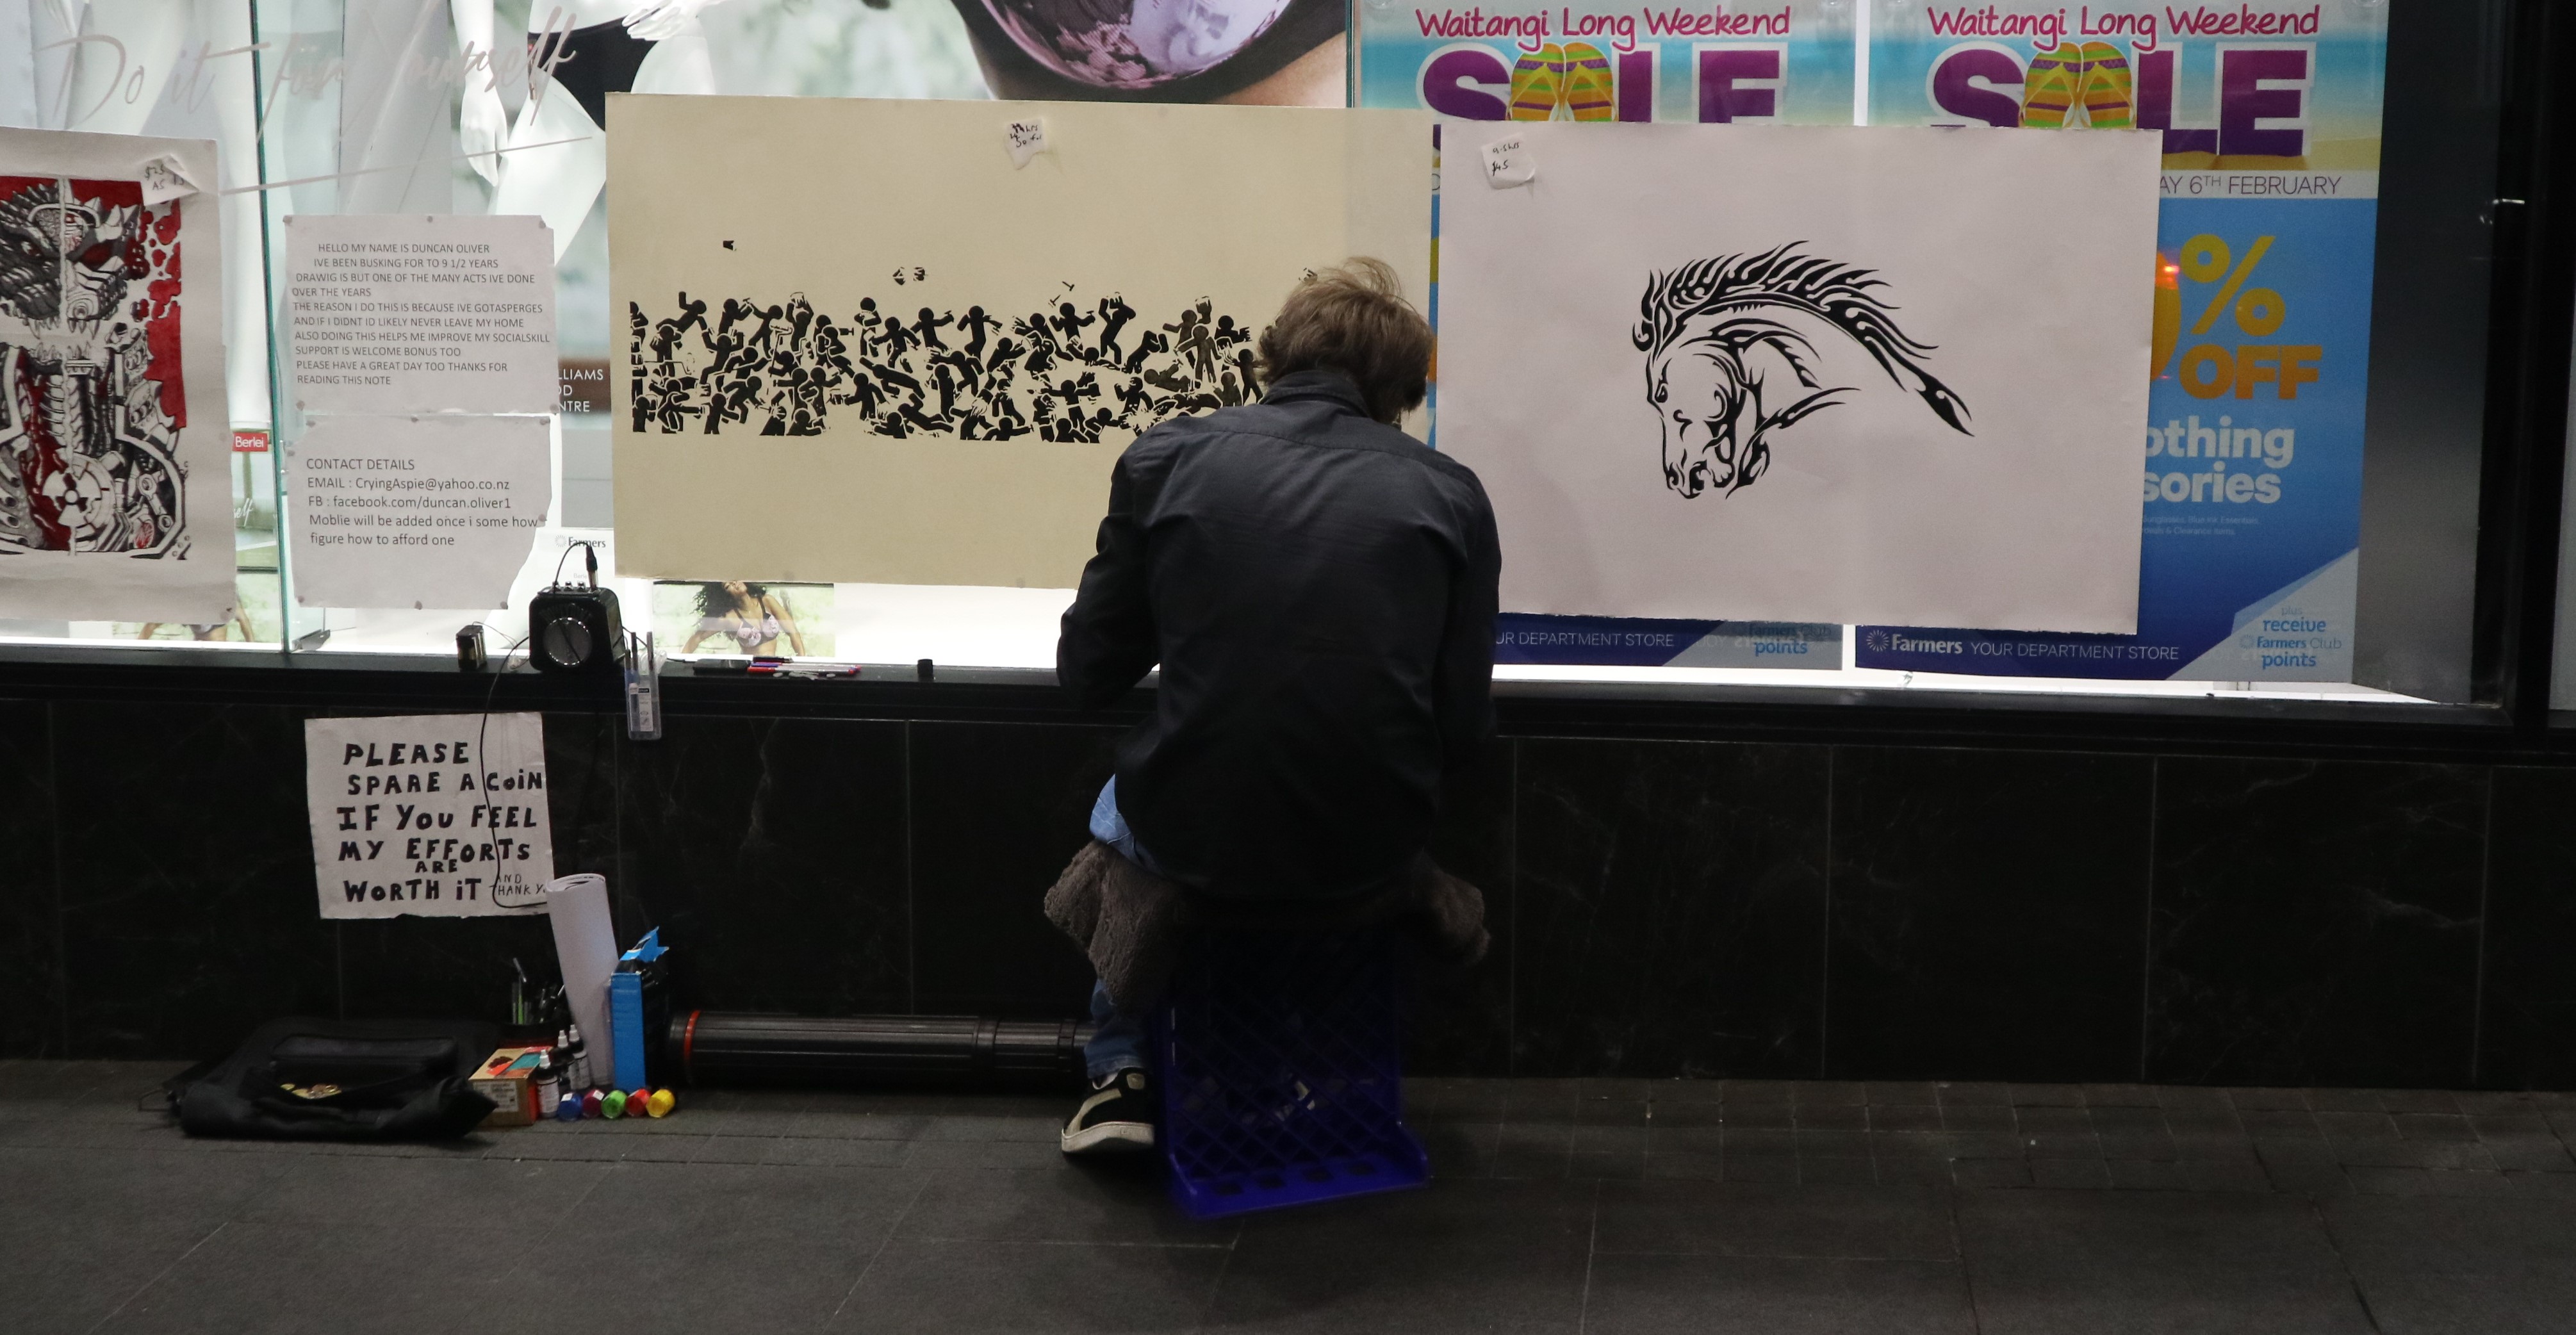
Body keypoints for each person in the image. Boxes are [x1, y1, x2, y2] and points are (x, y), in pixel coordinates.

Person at [1051, 259, 1501, 1154]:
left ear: (1275, 356)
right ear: (1400, 391)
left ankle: (1120, 1069)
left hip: (1195, 831)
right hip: (1367, 841)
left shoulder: (1166, 459)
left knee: (1124, 808)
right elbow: (1461, 724)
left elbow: (1089, 670)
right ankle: (1301, 1053)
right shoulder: (1451, 494)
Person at [681, 580, 807, 657]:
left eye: (735, 579)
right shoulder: (731, 618)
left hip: (774, 668)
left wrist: (802, 662)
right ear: (726, 596)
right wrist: (680, 663)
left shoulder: (768, 602)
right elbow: (697, 638)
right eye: (728, 586)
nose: (734, 583)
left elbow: (793, 632)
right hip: (751, 672)